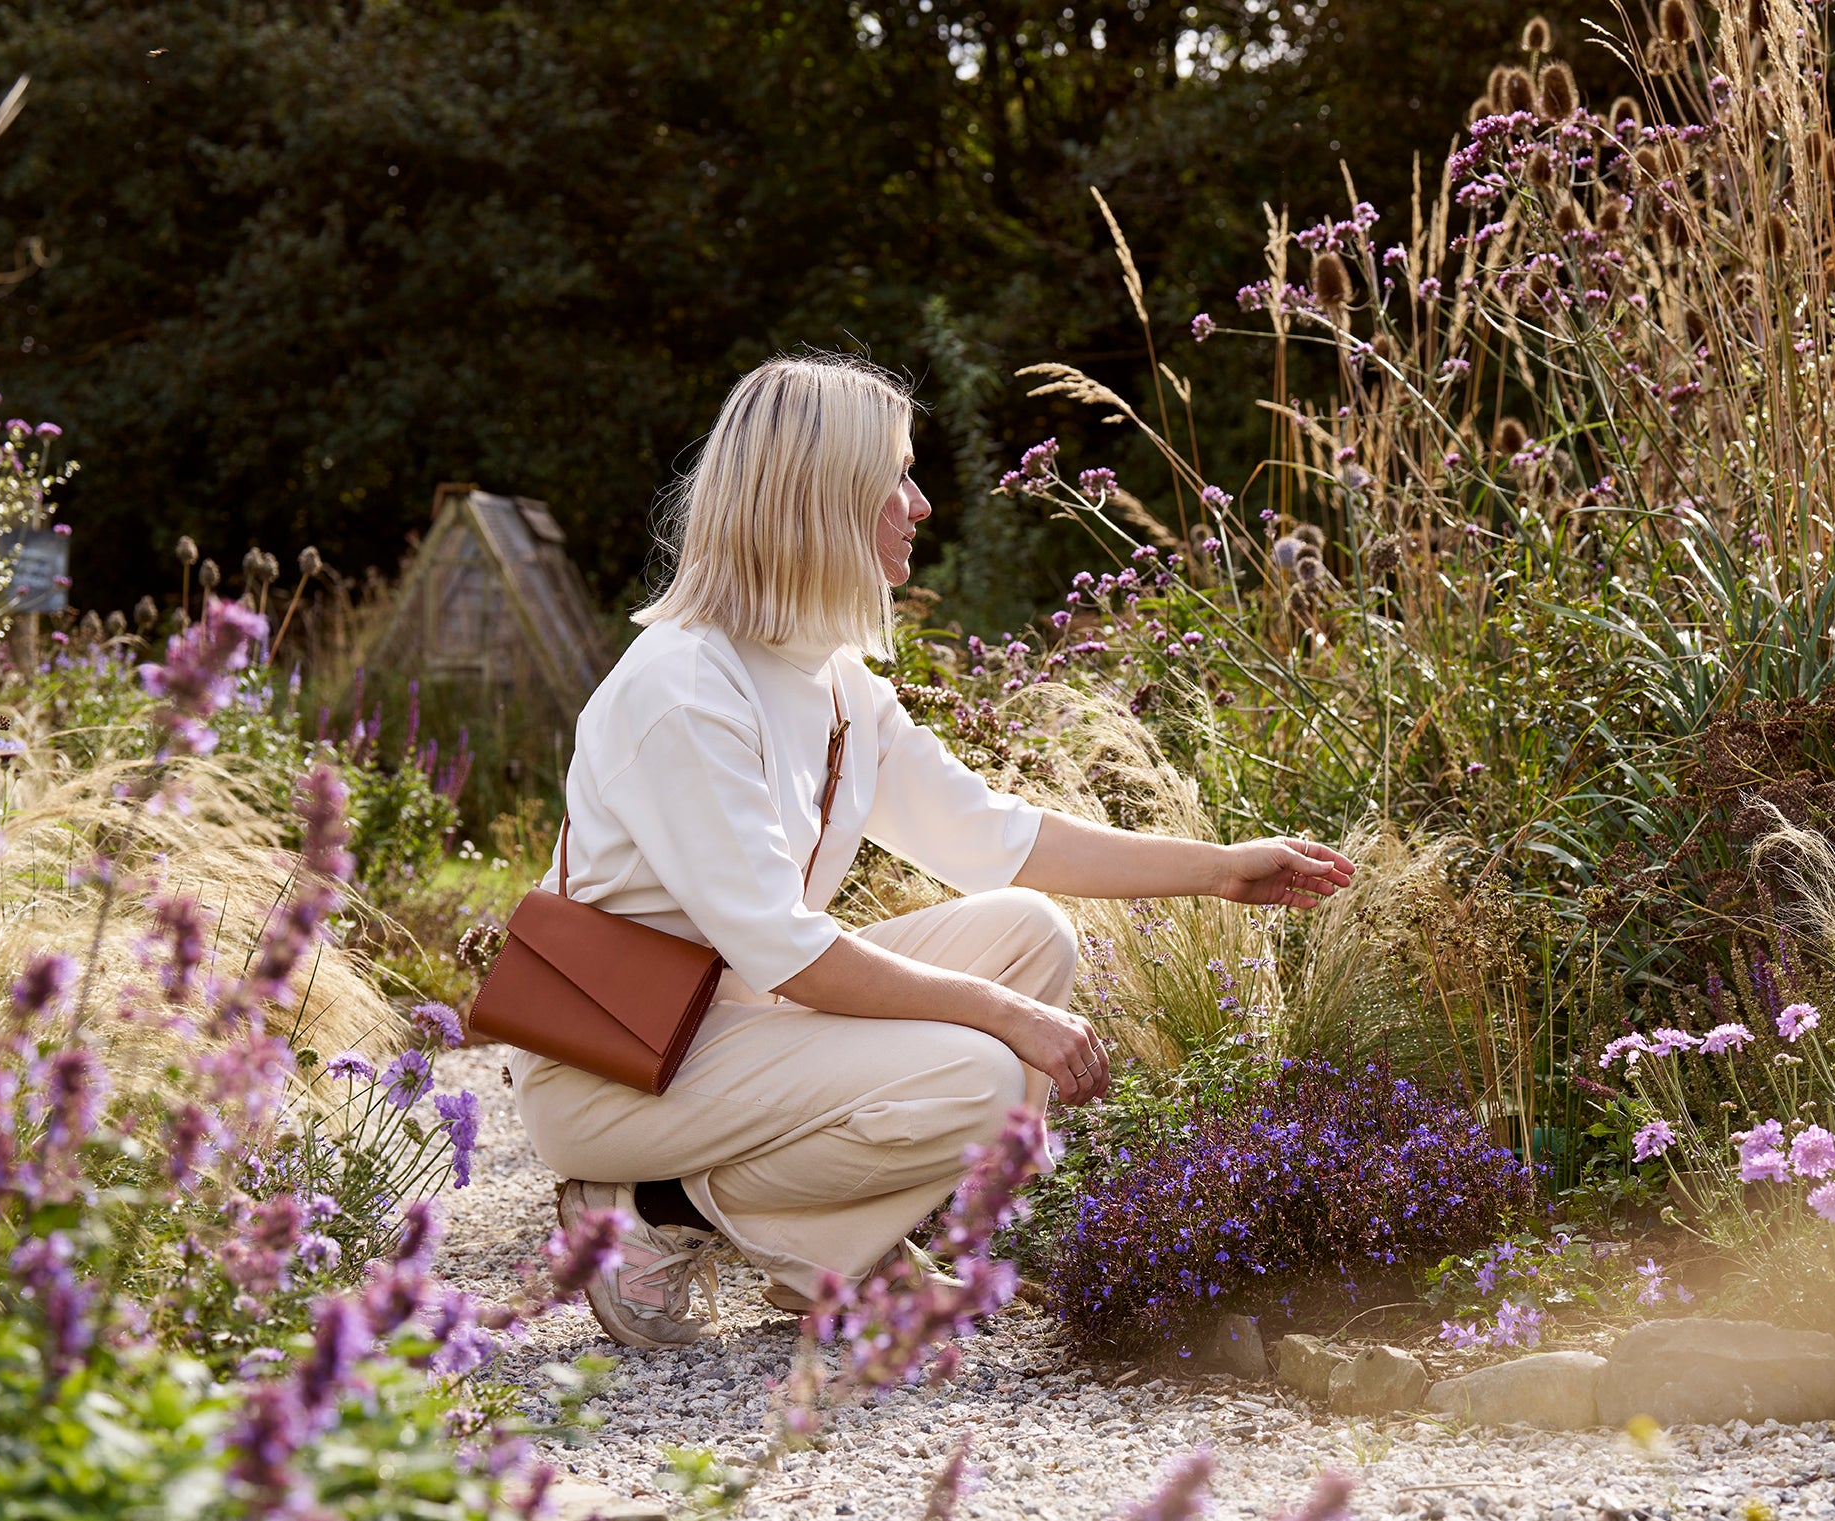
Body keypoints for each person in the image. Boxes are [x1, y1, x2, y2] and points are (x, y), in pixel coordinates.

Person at [511, 353, 1354, 1348]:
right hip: (621, 1069)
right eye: (895, 479)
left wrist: (1219, 869)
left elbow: (991, 836)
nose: (917, 504)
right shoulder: (684, 691)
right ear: (820, 496)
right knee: (982, 1080)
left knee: (1029, 933)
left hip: (733, 1024)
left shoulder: (830, 680)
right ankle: (652, 1209)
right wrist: (1013, 1022)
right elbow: (791, 952)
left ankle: (831, 1255)